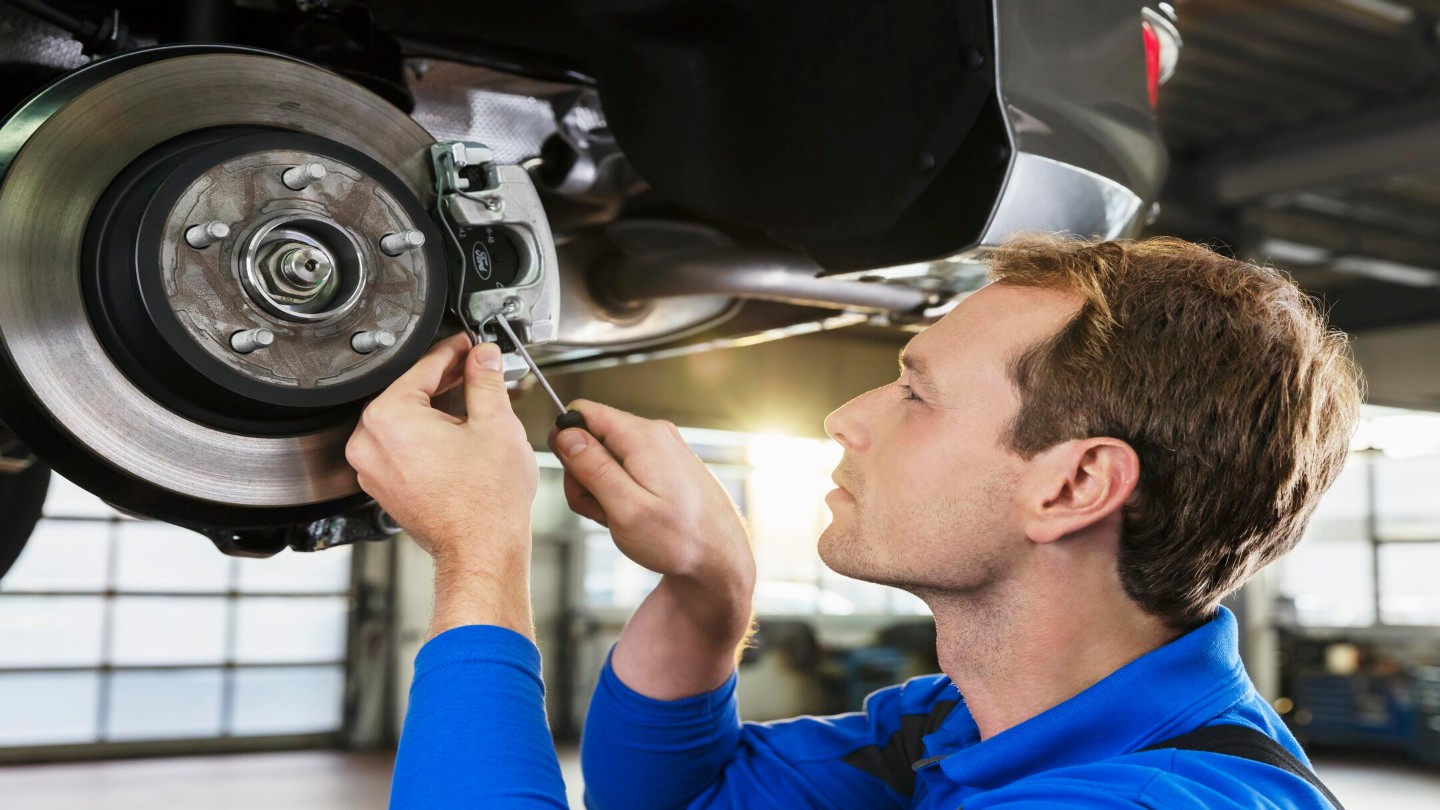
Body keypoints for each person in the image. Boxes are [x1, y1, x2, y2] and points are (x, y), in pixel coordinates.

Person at [347, 235, 1362, 809]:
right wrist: (711, 588)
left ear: (1072, 485)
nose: (849, 418)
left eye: (916, 397)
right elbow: (670, 808)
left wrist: (480, 558)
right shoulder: (947, 724)